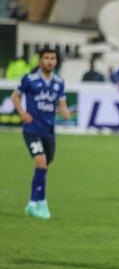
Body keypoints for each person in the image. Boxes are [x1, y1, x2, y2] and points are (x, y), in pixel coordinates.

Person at [11, 48, 71, 219]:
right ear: (40, 61)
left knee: (44, 167)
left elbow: (62, 103)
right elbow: (15, 97)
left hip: (49, 131)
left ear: (56, 62)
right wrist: (22, 113)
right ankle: (42, 203)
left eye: (52, 58)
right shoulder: (29, 79)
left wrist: (65, 112)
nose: (50, 61)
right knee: (41, 163)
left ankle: (32, 203)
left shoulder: (59, 82)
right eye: (46, 58)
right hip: (32, 129)